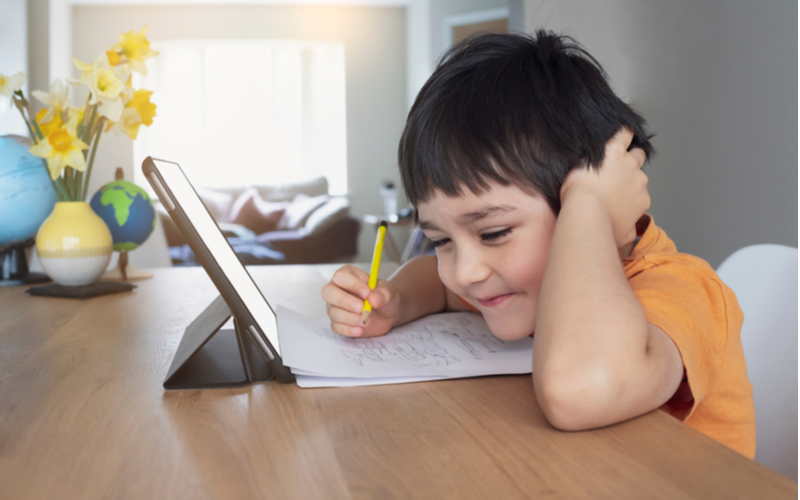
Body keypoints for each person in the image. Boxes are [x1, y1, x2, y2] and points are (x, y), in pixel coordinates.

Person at [321, 31, 755, 457]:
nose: (465, 272)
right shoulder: (518, 282)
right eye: (441, 240)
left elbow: (579, 389)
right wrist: (396, 299)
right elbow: (441, 289)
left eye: (493, 233)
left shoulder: (682, 289)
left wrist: (588, 203)